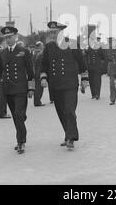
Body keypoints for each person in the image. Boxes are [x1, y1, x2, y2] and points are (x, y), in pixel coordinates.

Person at [40, 21, 87, 150]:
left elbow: (81, 62)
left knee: (69, 110)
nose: (53, 34)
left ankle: (71, 138)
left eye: (55, 32)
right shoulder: (49, 47)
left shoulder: (71, 43)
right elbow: (44, 64)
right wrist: (43, 77)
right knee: (61, 112)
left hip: (70, 84)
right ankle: (68, 134)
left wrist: (84, 79)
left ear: (62, 31)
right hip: (55, 85)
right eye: (51, 32)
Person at [0, 26, 35, 154]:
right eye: (6, 37)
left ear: (15, 37)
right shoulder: (2, 53)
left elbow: (30, 70)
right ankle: (22, 126)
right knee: (17, 116)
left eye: (10, 37)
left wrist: (31, 88)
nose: (8, 39)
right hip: (8, 89)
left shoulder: (23, 51)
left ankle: (20, 141)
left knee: (18, 114)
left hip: (21, 89)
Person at [33, 41, 46, 106]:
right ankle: (37, 102)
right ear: (39, 46)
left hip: (35, 72)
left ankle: (37, 101)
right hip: (38, 72)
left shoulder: (35, 53)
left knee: (37, 87)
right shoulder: (40, 54)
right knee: (39, 88)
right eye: (42, 45)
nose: (43, 46)